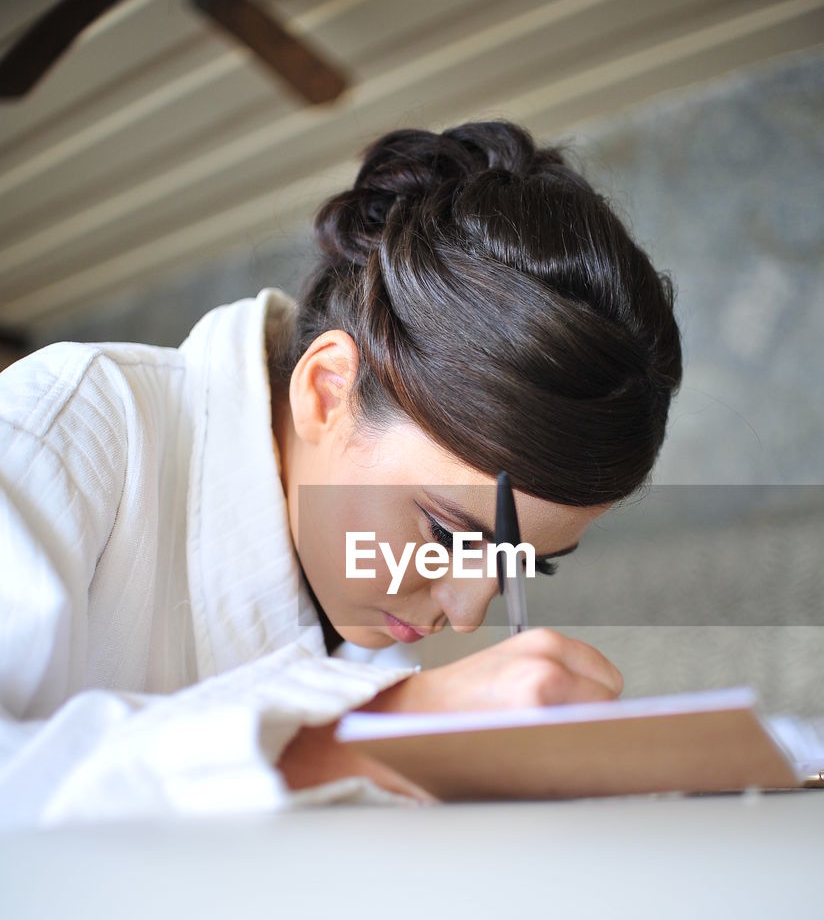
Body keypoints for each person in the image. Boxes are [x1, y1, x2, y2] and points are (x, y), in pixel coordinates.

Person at [0, 119, 682, 828]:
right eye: (447, 533)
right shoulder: (64, 429)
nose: (468, 611)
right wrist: (371, 739)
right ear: (326, 391)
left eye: (521, 565)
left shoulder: (368, 627)